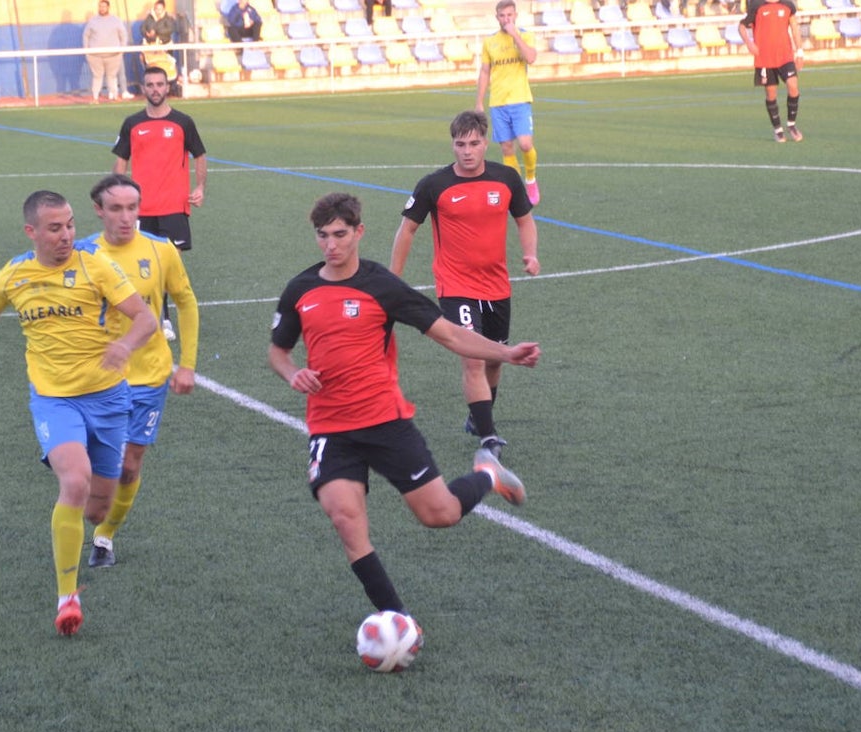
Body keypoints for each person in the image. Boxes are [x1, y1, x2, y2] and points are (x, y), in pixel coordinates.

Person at [268, 192, 540, 622]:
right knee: (345, 520)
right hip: (330, 428)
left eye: (340, 234)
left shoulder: (383, 287)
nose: (331, 245)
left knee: (441, 515)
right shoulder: (301, 289)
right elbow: (278, 351)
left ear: (359, 232)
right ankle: (398, 620)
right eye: (323, 236)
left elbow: (450, 335)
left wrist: (505, 354)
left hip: (385, 422)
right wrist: (291, 373)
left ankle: (487, 474)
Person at [0, 190, 157, 636]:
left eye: (70, 224)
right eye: (55, 228)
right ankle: (67, 597)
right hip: (54, 400)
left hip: (109, 398)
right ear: (32, 231)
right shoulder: (15, 275)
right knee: (74, 480)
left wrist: (125, 345)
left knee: (97, 509)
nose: (66, 235)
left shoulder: (97, 267)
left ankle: (104, 532)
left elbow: (145, 318)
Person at [390, 110, 539, 460]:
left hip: (497, 285)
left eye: (474, 144)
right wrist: (392, 280)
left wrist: (530, 254)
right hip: (455, 284)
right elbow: (407, 229)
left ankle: (478, 416)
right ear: (452, 145)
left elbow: (525, 220)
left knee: (495, 358)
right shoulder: (434, 185)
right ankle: (489, 437)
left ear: (485, 143)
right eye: (460, 144)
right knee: (472, 359)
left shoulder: (506, 179)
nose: (467, 151)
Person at [78, 173, 200, 568]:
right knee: (90, 468)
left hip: (148, 375)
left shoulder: (161, 251)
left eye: (133, 207)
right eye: (116, 209)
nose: (127, 217)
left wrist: (188, 364)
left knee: (129, 465)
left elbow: (186, 302)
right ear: (99, 211)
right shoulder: (82, 254)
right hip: (96, 378)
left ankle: (105, 537)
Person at [112, 65, 207, 340]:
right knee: (146, 267)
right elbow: (120, 161)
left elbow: (200, 154)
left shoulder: (183, 122)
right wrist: (116, 198)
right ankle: (162, 319)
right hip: (142, 209)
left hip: (175, 207)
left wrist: (200, 187)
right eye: (150, 84)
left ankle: (168, 316)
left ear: (168, 87)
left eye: (159, 84)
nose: (155, 89)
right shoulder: (132, 123)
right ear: (144, 89)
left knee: (169, 267)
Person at [475, 0, 540, 206]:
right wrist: (479, 102)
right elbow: (485, 72)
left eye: (509, 15)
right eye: (502, 16)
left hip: (520, 100)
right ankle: (517, 188)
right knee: (507, 149)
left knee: (525, 143)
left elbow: (530, 58)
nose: (506, 19)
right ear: (497, 18)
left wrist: (515, 35)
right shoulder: (490, 42)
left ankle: (530, 179)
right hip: (498, 102)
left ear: (515, 15)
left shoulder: (525, 35)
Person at [738, 0, 803, 142]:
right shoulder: (756, 5)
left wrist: (800, 52)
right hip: (765, 59)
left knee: (793, 87)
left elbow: (795, 27)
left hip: (785, 56)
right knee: (771, 94)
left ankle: (791, 124)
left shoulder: (787, 5)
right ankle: (778, 129)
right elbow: (742, 26)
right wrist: (749, 43)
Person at [83, 0, 133, 103]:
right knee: (97, 76)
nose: (102, 8)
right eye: (100, 6)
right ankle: (95, 98)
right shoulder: (92, 21)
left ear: (108, 7)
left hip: (113, 56)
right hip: (95, 56)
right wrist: (87, 51)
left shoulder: (116, 20)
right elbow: (86, 36)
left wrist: (121, 50)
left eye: (104, 6)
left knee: (112, 76)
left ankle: (115, 96)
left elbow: (123, 35)